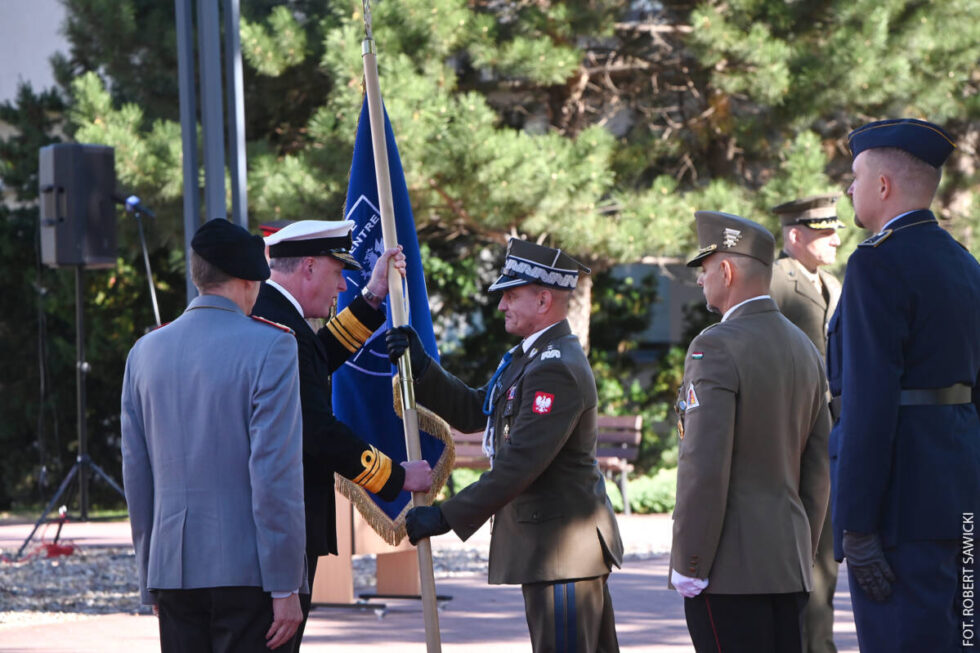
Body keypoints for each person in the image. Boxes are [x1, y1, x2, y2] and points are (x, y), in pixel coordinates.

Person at [387, 238, 624, 652]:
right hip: (554, 552)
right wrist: (423, 367)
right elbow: (477, 410)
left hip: (563, 554)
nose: (502, 306)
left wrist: (445, 516)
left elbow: (519, 465)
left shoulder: (556, 369)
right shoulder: (531, 358)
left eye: (511, 295)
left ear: (544, 299)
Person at [828, 118, 980, 652]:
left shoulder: (877, 263)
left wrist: (859, 525)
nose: (850, 188)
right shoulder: (965, 264)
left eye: (856, 177)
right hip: (960, 494)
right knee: (961, 638)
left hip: (899, 508)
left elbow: (869, 403)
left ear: (883, 186)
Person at [121, 218, 306, 652]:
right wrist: (285, 584)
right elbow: (274, 473)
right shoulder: (272, 346)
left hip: (173, 572)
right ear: (248, 281)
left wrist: (151, 576)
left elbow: (137, 475)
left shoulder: (145, 351)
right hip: (250, 574)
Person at [253, 219, 433, 649]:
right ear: (309, 268)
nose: (340, 289)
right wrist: (394, 476)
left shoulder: (279, 318)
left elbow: (318, 358)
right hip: (282, 523)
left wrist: (373, 297)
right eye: (338, 276)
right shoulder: (278, 326)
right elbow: (315, 429)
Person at [671, 211, 831, 653]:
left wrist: (691, 562)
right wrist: (802, 552)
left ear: (726, 270)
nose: (701, 281)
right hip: (788, 566)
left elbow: (704, 465)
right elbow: (818, 470)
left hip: (728, 571)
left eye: (704, 270)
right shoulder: (805, 348)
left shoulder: (715, 345)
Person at [769, 194, 844, 653]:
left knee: (825, 557)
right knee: (795, 554)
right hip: (791, 435)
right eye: (825, 233)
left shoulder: (831, 283)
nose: (837, 239)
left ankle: (820, 644)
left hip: (829, 434)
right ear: (796, 236)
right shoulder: (775, 282)